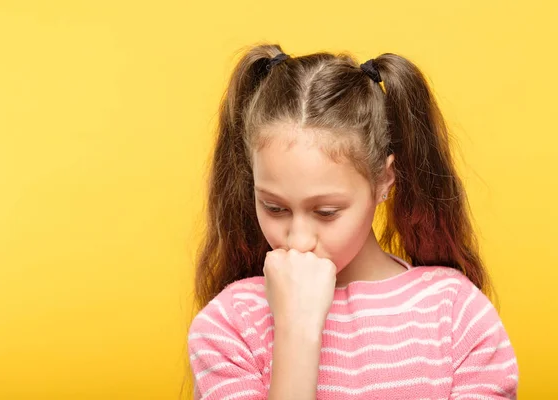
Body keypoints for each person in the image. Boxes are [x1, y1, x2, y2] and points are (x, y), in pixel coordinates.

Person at [186, 43, 519, 399]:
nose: (298, 240)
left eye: (327, 212)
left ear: (383, 181)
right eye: (275, 208)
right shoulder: (229, 326)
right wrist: (296, 332)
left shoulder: (455, 314)